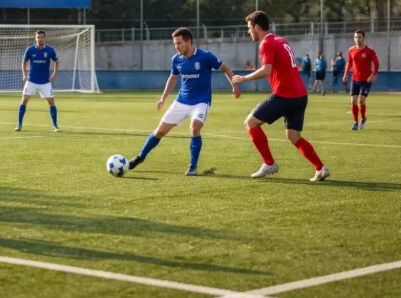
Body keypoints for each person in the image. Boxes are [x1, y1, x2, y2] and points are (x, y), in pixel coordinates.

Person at [126, 27, 241, 176]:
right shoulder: (176, 59)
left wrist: (234, 86)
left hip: (201, 101)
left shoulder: (205, 56)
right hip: (181, 101)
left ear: (188, 42)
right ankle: (139, 157)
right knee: (160, 131)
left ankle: (192, 166)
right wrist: (163, 98)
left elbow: (225, 67)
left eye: (179, 43)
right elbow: (173, 77)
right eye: (175, 44)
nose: (177, 47)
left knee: (194, 128)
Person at [231, 11, 330, 182]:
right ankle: (320, 168)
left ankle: (269, 163)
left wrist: (244, 78)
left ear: (256, 27)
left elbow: (266, 70)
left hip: (285, 95)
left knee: (250, 123)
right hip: (300, 95)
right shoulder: (280, 40)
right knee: (293, 136)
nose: (248, 32)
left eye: (249, 28)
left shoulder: (266, 43)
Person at [15, 30, 60, 132]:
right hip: (31, 81)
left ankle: (55, 125)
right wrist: (24, 75)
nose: (40, 39)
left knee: (51, 102)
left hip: (45, 81)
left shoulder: (50, 50)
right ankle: (19, 124)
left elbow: (56, 62)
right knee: (24, 101)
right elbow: (24, 62)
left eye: (42, 37)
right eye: (38, 37)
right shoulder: (30, 50)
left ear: (45, 38)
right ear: (35, 38)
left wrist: (53, 75)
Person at [343, 30, 380, 130]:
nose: (357, 39)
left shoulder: (370, 51)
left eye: (359, 37)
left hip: (366, 80)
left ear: (363, 38)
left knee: (361, 100)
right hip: (354, 79)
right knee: (353, 101)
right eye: (356, 37)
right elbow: (349, 63)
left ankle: (363, 118)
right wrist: (345, 74)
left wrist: (373, 74)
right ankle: (355, 122)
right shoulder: (351, 50)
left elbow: (376, 63)